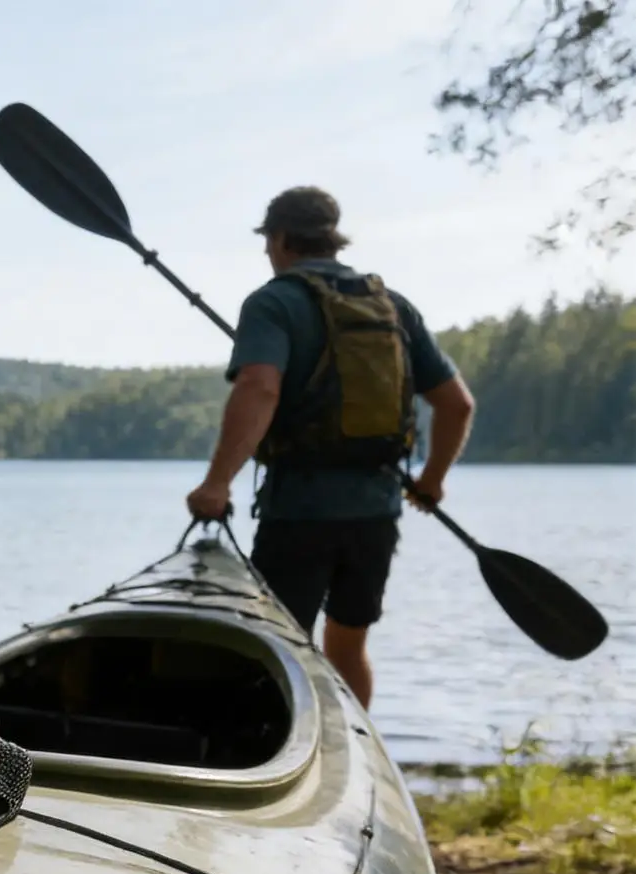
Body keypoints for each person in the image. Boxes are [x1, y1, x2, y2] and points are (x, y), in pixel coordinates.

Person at [186, 187, 475, 708]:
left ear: (278, 239)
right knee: (348, 643)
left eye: (268, 243)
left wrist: (216, 483)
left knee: (274, 645)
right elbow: (456, 404)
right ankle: (359, 760)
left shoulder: (273, 301)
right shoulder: (391, 307)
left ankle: (273, 764)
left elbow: (259, 386)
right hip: (375, 515)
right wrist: (432, 481)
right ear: (332, 240)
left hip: (298, 514)